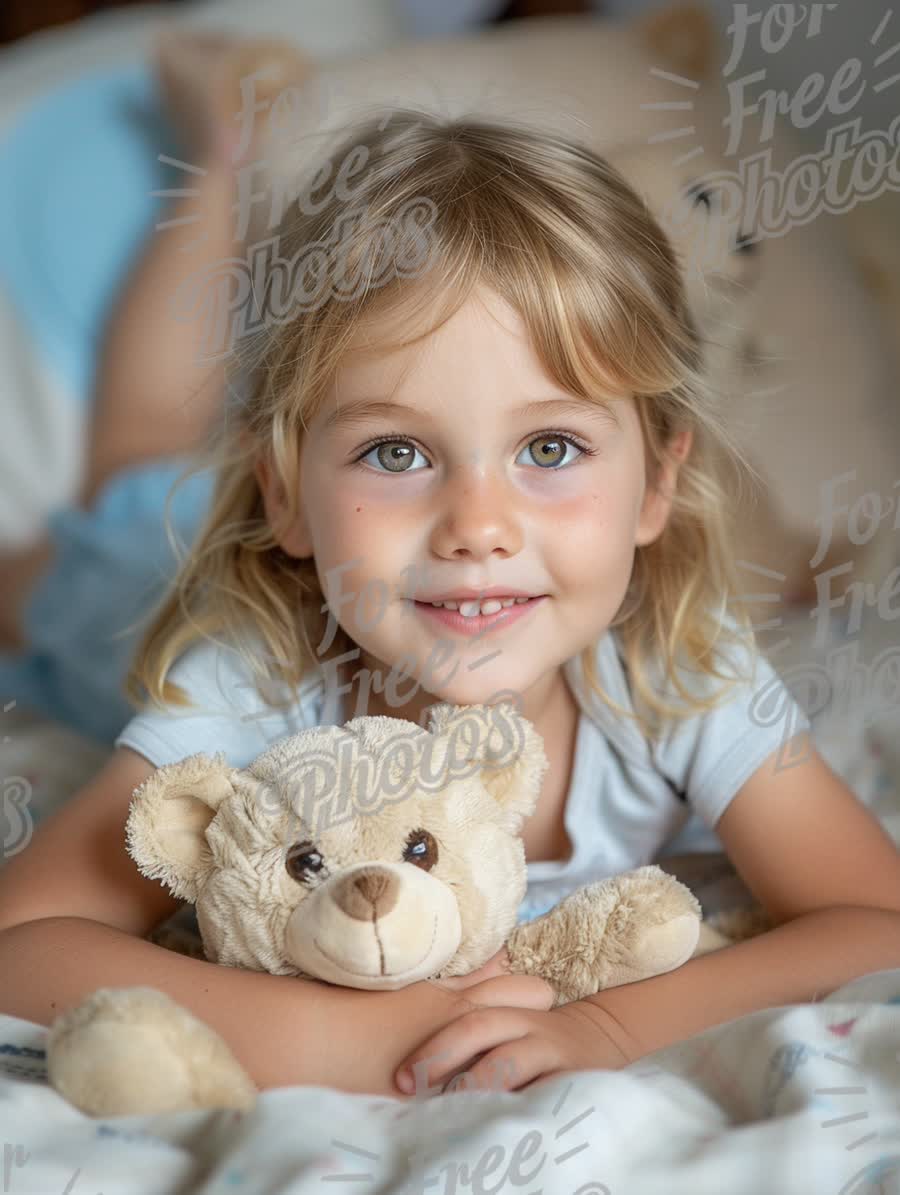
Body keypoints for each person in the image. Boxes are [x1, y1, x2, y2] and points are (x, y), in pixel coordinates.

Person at [2, 93, 900, 1105]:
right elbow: (22, 941)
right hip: (124, 585)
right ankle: (220, 148)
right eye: (397, 451)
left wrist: (607, 1024)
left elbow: (875, 916)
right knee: (117, 492)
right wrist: (364, 1038)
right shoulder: (258, 672)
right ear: (287, 495)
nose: (478, 525)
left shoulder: (674, 663)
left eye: (549, 448)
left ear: (654, 483)